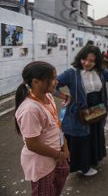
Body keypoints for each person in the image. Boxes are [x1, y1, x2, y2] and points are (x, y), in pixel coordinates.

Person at [54, 45, 108, 176]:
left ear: (97, 61)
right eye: (84, 59)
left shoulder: (99, 71)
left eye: (92, 61)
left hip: (96, 110)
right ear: (80, 58)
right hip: (79, 113)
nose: (87, 63)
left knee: (94, 135)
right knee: (82, 138)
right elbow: (53, 85)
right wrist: (65, 96)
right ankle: (83, 167)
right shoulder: (71, 73)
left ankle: (91, 160)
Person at [15, 61, 70, 195]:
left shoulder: (48, 96)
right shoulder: (30, 110)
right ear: (36, 82)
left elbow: (56, 125)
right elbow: (33, 145)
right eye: (52, 79)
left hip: (56, 155)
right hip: (42, 165)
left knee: (58, 184)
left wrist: (65, 148)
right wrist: (59, 154)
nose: (56, 82)